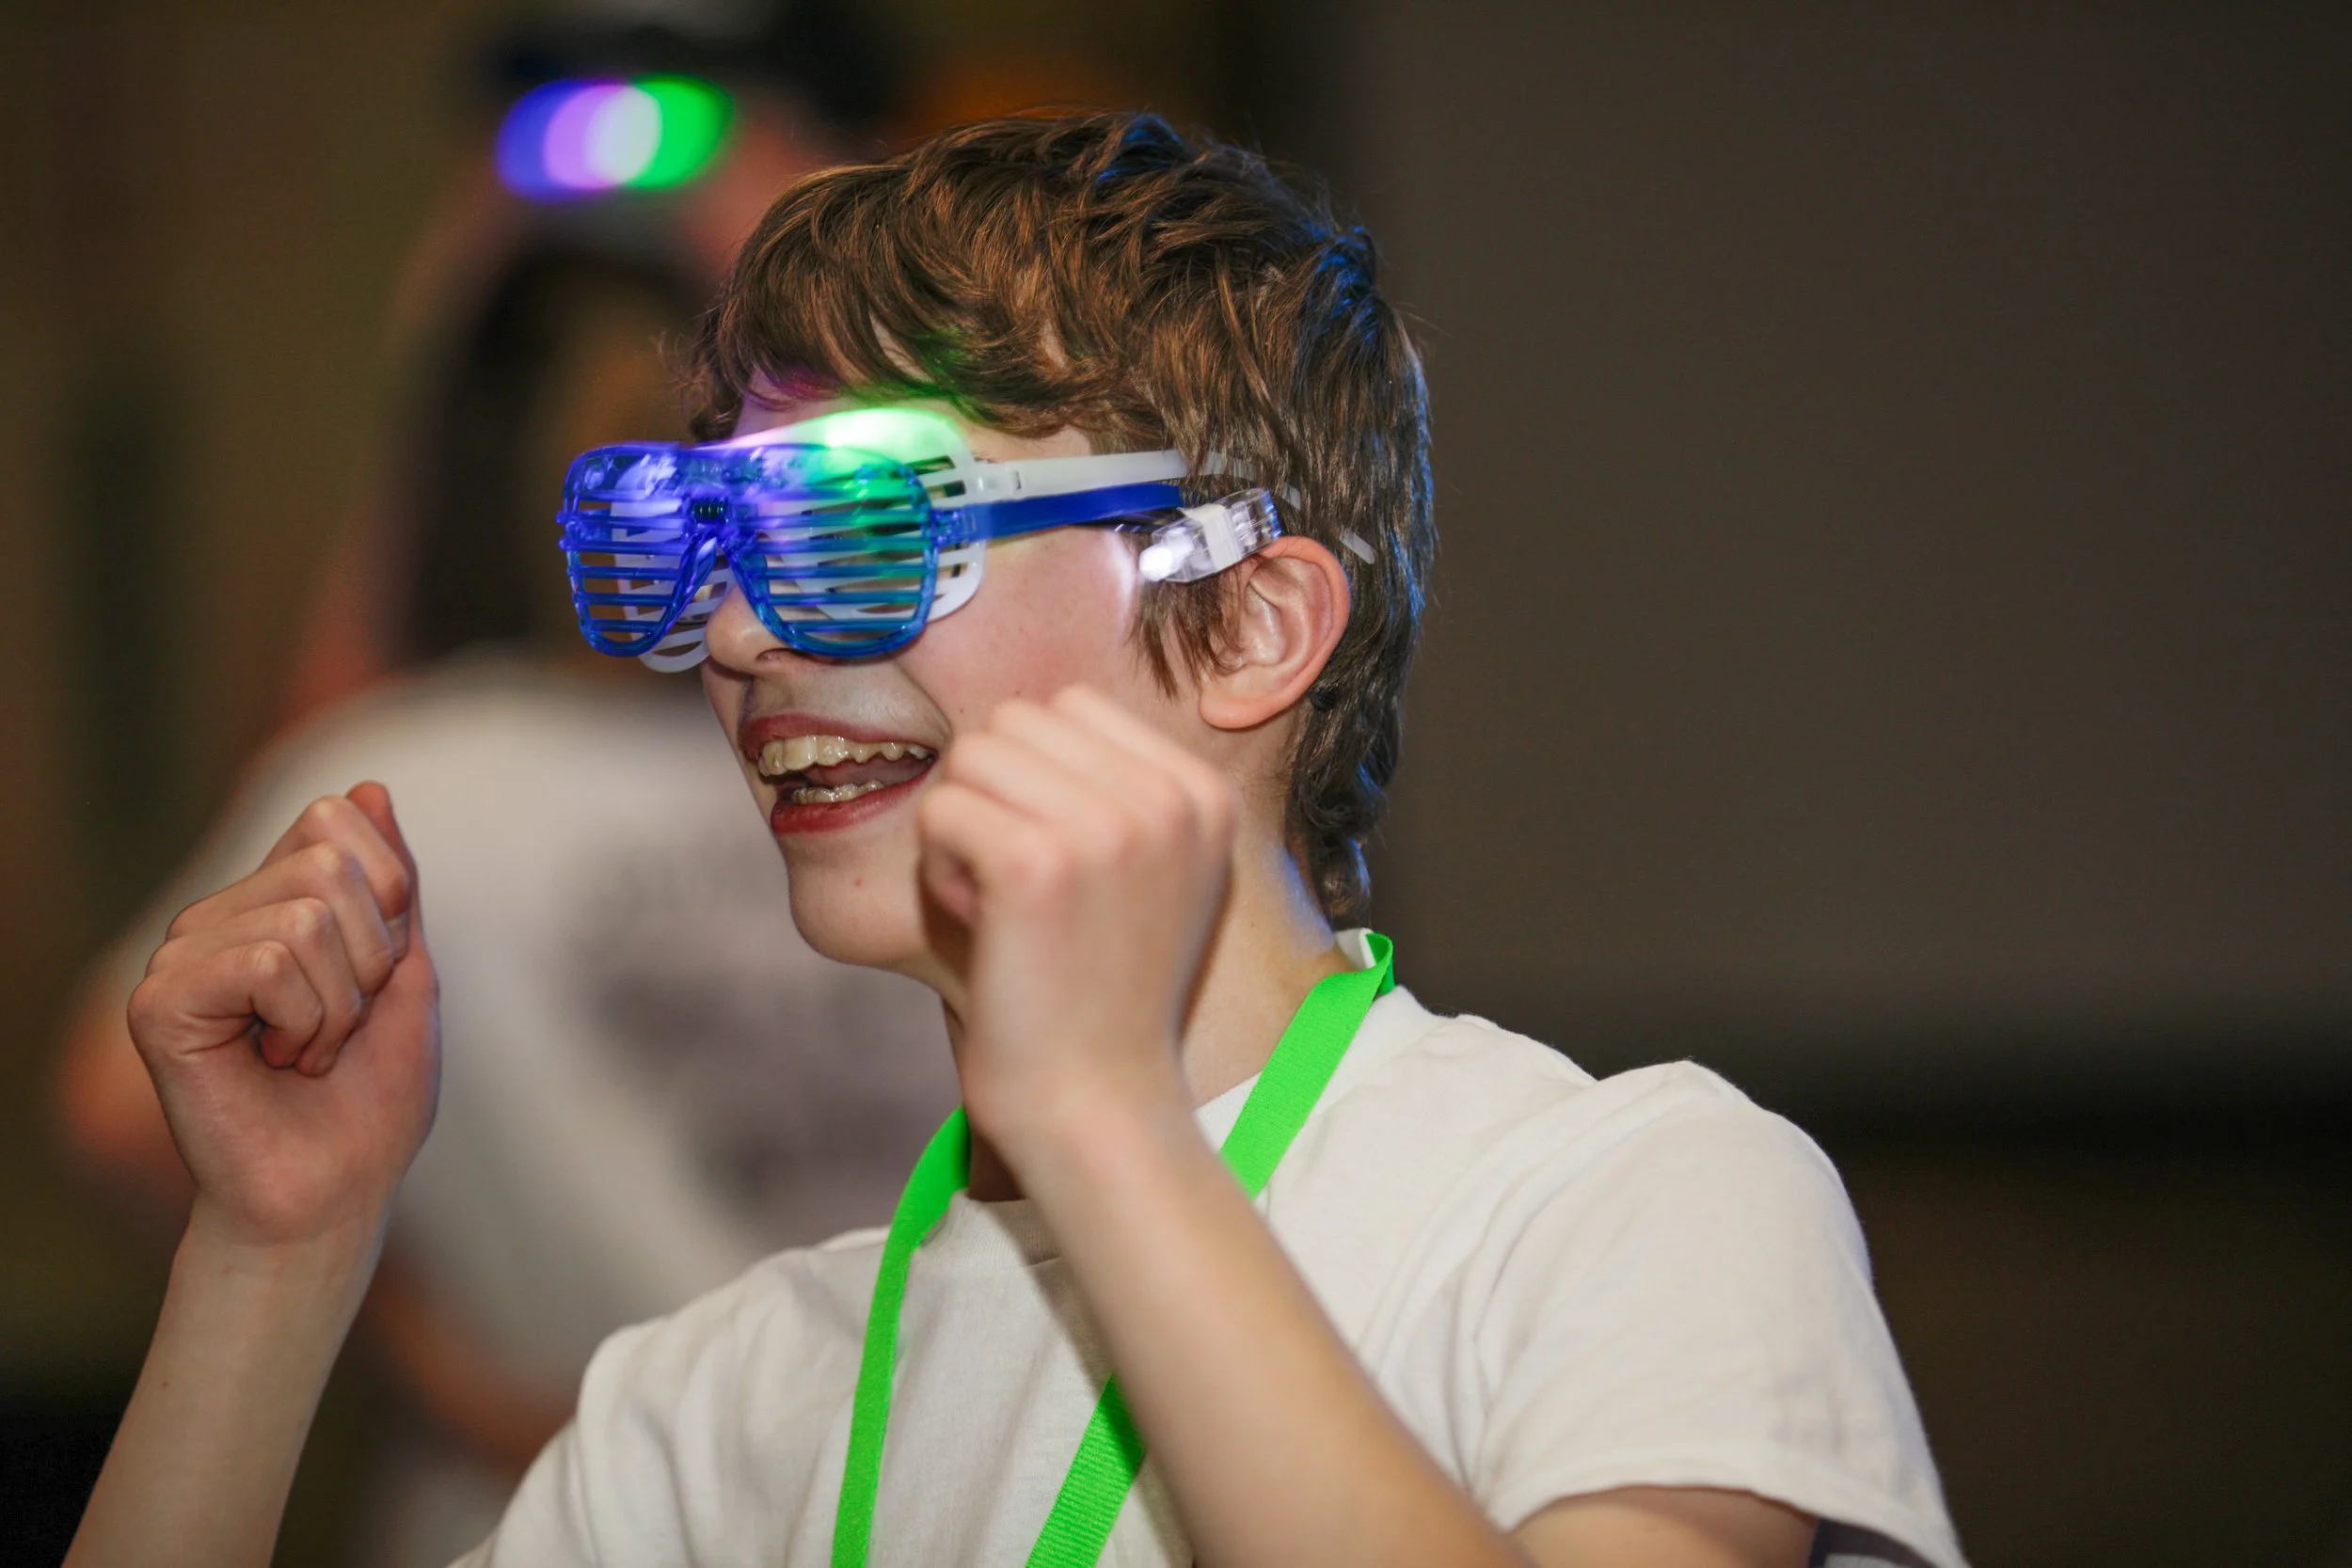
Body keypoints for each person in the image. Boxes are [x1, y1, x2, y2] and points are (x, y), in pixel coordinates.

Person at [65, 113, 1966, 1568]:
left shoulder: (1617, 1199)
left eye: (857, 520)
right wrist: (276, 1257)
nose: (734, 636)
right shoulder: (726, 1384)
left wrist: (1096, 1111)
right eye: (698, 538)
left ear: (1240, 620)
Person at [52, 7, 957, 1564]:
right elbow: (151, 1074)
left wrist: (829, 263)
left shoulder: (945, 719)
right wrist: (423, 1348)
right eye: (635, 454)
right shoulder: (443, 756)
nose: (687, 496)